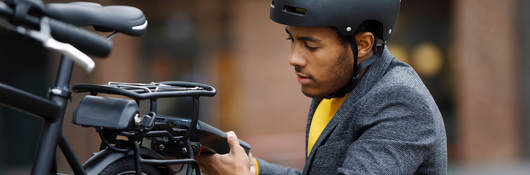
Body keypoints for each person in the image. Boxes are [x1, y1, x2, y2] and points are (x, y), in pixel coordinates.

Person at [196, 0, 447, 174]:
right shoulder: (338, 86)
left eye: (311, 45)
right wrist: (252, 167)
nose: (294, 58)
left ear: (362, 45)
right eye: (292, 40)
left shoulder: (399, 102)